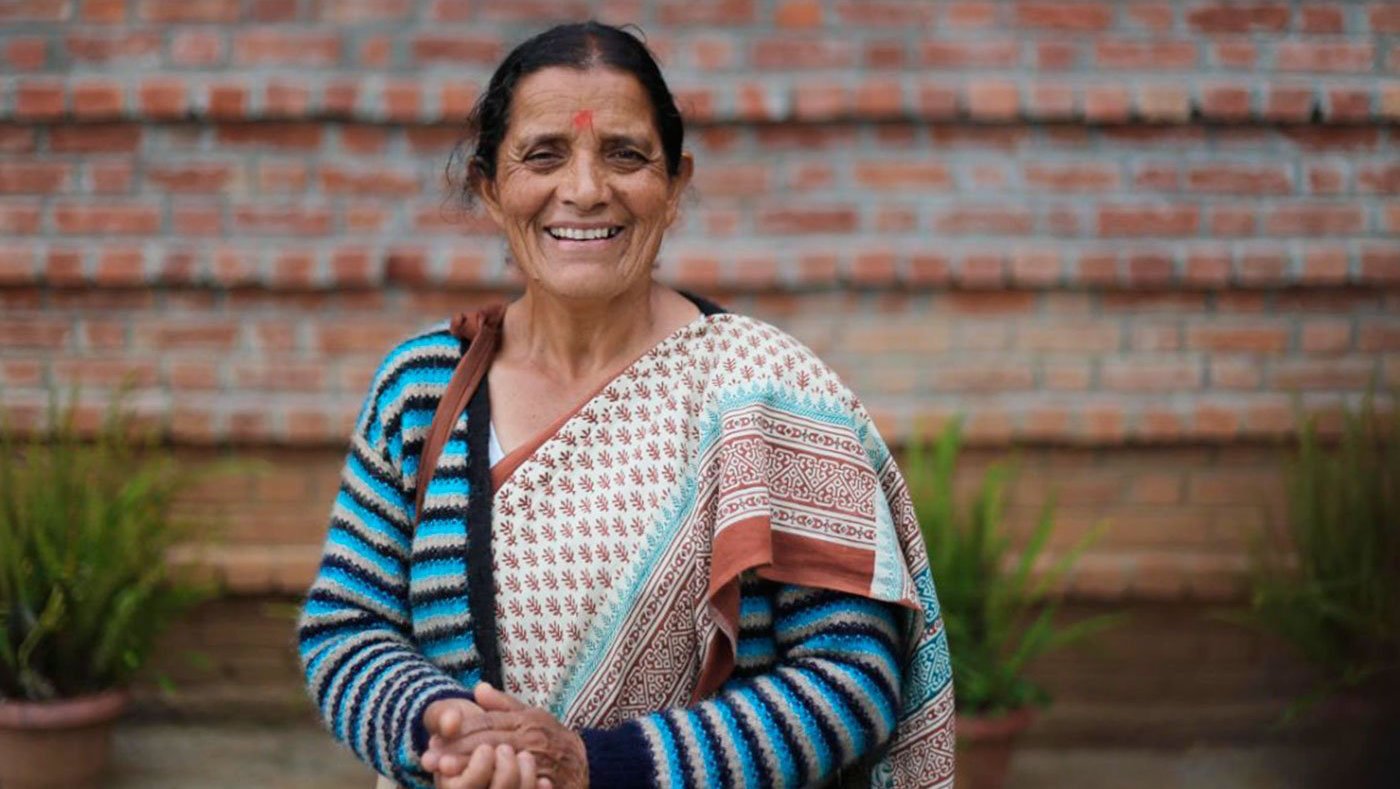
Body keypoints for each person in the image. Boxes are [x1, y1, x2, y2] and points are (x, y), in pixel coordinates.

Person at [298, 21, 953, 789]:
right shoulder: (422, 390)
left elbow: (850, 678)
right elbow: (347, 627)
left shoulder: (769, 393)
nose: (583, 189)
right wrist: (444, 728)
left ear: (674, 185)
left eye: (626, 155)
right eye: (543, 155)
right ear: (489, 187)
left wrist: (595, 765)